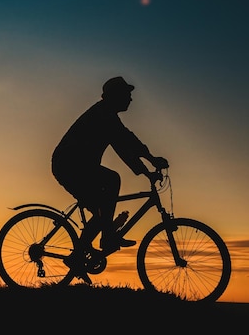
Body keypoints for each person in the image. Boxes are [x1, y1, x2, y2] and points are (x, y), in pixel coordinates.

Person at [51, 76, 168, 274]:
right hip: (69, 165)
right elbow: (125, 143)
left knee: (101, 212)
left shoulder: (107, 114)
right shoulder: (104, 114)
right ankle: (106, 238)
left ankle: (81, 253)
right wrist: (150, 161)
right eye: (127, 95)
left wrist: (147, 167)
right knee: (111, 182)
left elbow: (125, 144)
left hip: (76, 166)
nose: (130, 99)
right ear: (116, 96)